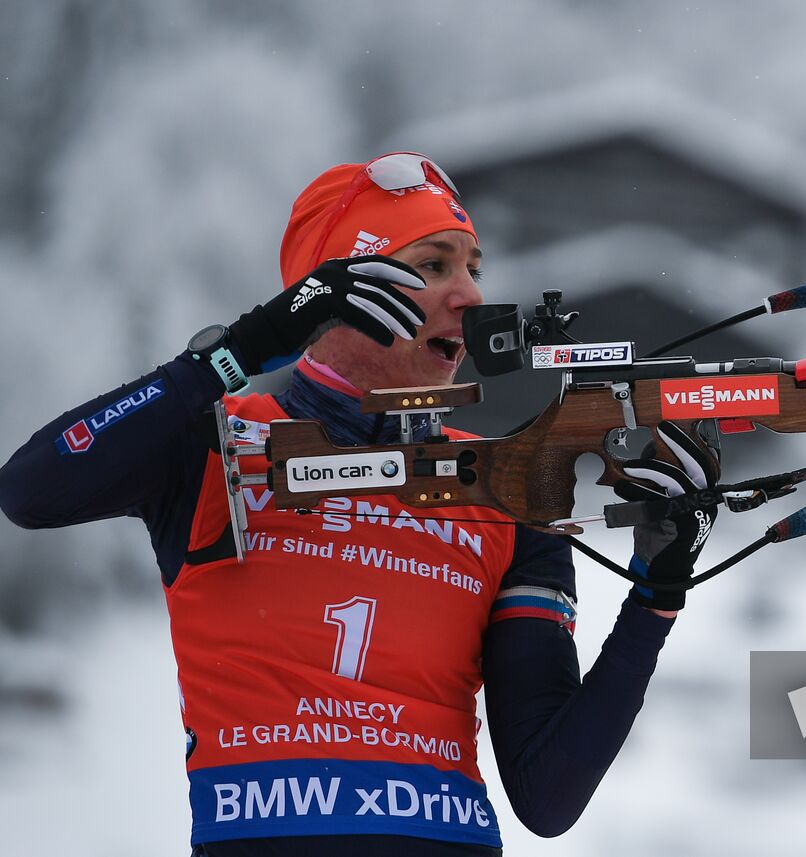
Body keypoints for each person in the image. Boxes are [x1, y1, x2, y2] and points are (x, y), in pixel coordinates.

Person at [0, 152, 720, 856]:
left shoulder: (502, 479)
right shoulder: (215, 445)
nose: (468, 294)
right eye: (433, 265)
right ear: (340, 287)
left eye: (474, 267)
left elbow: (548, 793)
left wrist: (657, 595)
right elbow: (30, 488)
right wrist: (242, 347)